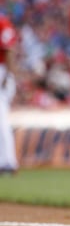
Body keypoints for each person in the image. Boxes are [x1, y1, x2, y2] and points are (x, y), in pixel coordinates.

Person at [0, 14, 19, 175]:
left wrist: (8, 76)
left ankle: (8, 162)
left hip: (2, 72)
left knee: (1, 120)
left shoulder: (3, 22)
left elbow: (9, 50)